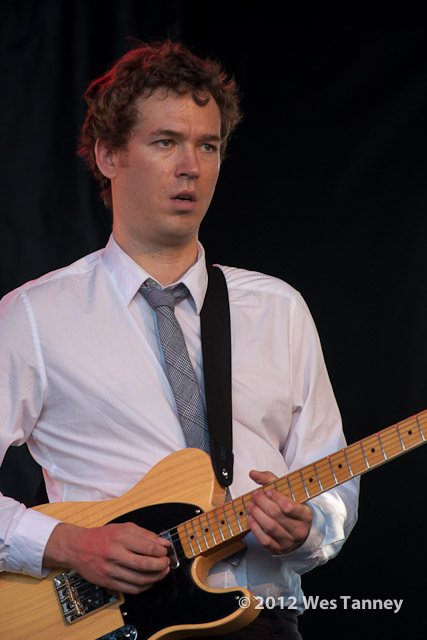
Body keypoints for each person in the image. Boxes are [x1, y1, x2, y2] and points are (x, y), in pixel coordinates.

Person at [0, 40, 358, 639]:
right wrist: (69, 544)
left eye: (208, 145)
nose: (191, 165)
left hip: (261, 620)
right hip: (109, 624)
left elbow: (334, 480)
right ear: (109, 155)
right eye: (166, 142)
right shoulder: (35, 315)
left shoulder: (279, 309)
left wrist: (309, 529)